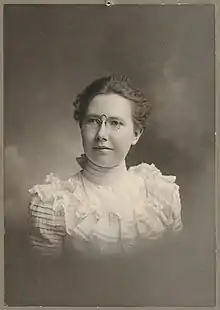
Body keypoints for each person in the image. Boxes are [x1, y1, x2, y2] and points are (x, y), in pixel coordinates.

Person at [28, 74, 183, 261]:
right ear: (81, 127)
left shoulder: (162, 195)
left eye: (115, 123)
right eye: (93, 121)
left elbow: (177, 269)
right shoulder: (53, 205)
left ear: (136, 134)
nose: (101, 134)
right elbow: (41, 282)